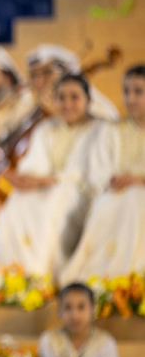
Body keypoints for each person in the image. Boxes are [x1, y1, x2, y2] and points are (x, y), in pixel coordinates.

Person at [0, 74, 102, 276]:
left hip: (80, 191)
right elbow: (34, 165)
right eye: (61, 97)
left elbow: (94, 173)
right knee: (17, 201)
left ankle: (41, 274)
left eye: (75, 97)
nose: (67, 104)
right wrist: (24, 178)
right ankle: (11, 274)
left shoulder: (99, 129)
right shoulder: (46, 129)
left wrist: (47, 180)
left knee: (57, 200)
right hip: (46, 186)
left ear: (88, 100)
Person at [60, 65, 145, 285]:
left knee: (136, 198)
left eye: (138, 92)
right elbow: (98, 171)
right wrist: (113, 180)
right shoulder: (112, 130)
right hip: (114, 194)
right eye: (127, 91)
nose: (131, 98)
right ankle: (108, 278)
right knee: (112, 203)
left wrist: (137, 180)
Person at [26, 44, 119, 121]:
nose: (39, 82)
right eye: (33, 76)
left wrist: (59, 114)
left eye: (47, 73)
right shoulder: (32, 107)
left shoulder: (98, 109)